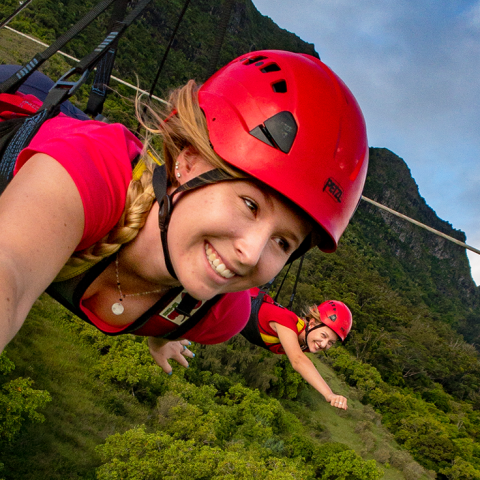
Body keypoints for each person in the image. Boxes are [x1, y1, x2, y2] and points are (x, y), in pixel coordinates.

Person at [0, 50, 368, 373]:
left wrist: (165, 333)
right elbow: (9, 270)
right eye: (250, 204)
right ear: (189, 163)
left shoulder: (219, 318)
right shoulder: (94, 171)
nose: (251, 253)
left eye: (283, 242)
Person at [241, 287, 352, 410]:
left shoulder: (307, 342)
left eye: (330, 342)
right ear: (312, 323)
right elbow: (298, 360)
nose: (323, 344)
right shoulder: (286, 322)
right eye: (323, 335)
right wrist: (329, 394)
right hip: (231, 297)